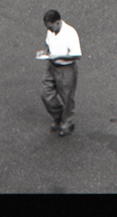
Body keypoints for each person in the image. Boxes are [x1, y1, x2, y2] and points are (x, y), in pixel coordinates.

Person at [37, 9, 81, 137]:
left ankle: (67, 123)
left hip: (66, 69)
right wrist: (45, 51)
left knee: (67, 97)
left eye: (51, 27)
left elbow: (77, 55)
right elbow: (48, 43)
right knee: (46, 94)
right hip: (51, 65)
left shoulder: (70, 33)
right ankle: (58, 116)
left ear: (57, 22)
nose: (49, 30)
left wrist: (59, 57)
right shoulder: (51, 30)